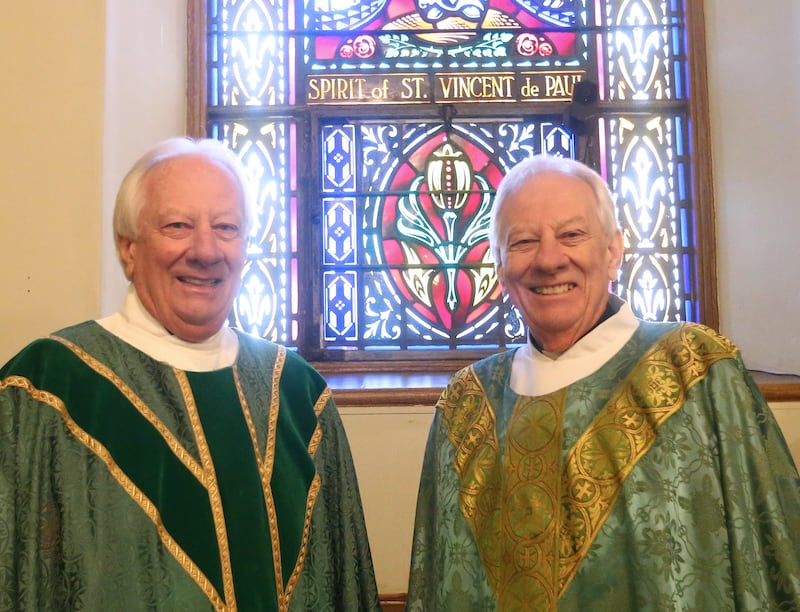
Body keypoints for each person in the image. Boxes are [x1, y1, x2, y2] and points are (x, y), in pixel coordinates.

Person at [0, 137, 381, 611]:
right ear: (128, 248)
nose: (205, 250)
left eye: (226, 227)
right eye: (177, 225)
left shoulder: (298, 395)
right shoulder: (47, 390)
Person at [406, 155, 800, 610]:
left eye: (572, 235)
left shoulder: (695, 369)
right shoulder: (466, 405)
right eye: (524, 241)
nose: (549, 260)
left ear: (613, 251)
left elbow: (772, 557)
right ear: (499, 265)